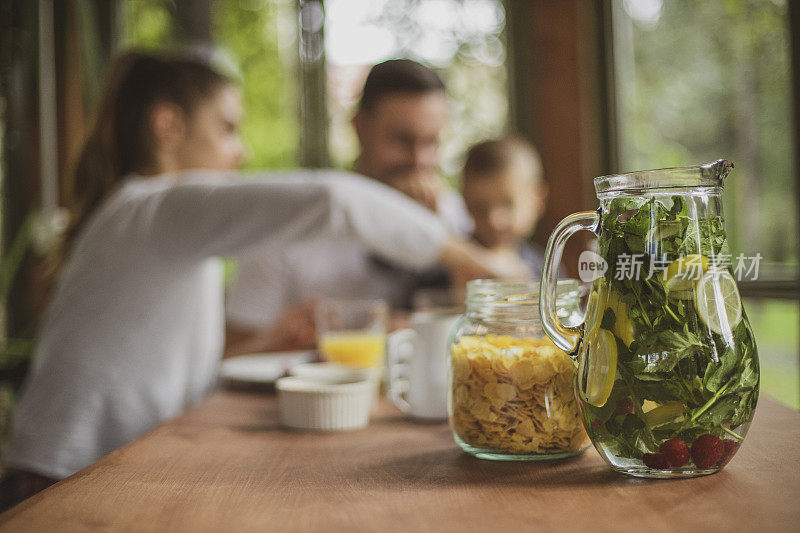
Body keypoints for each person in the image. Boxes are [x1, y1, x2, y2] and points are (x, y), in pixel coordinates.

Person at [1, 50, 519, 496]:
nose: (241, 150)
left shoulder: (164, 229)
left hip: (109, 471)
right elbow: (331, 199)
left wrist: (273, 337)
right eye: (227, 128)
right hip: (60, 481)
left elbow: (184, 380)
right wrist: (475, 260)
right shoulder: (152, 207)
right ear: (168, 127)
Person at [224, 59, 503, 356]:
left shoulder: (457, 218)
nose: (419, 162)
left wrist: (444, 245)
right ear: (359, 129)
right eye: (403, 141)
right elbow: (231, 353)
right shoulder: (289, 225)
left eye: (431, 142)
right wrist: (280, 339)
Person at [461, 136, 550, 279]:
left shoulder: (548, 268)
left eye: (508, 204)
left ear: (538, 200)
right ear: (465, 202)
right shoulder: (446, 269)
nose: (494, 221)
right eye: (479, 207)